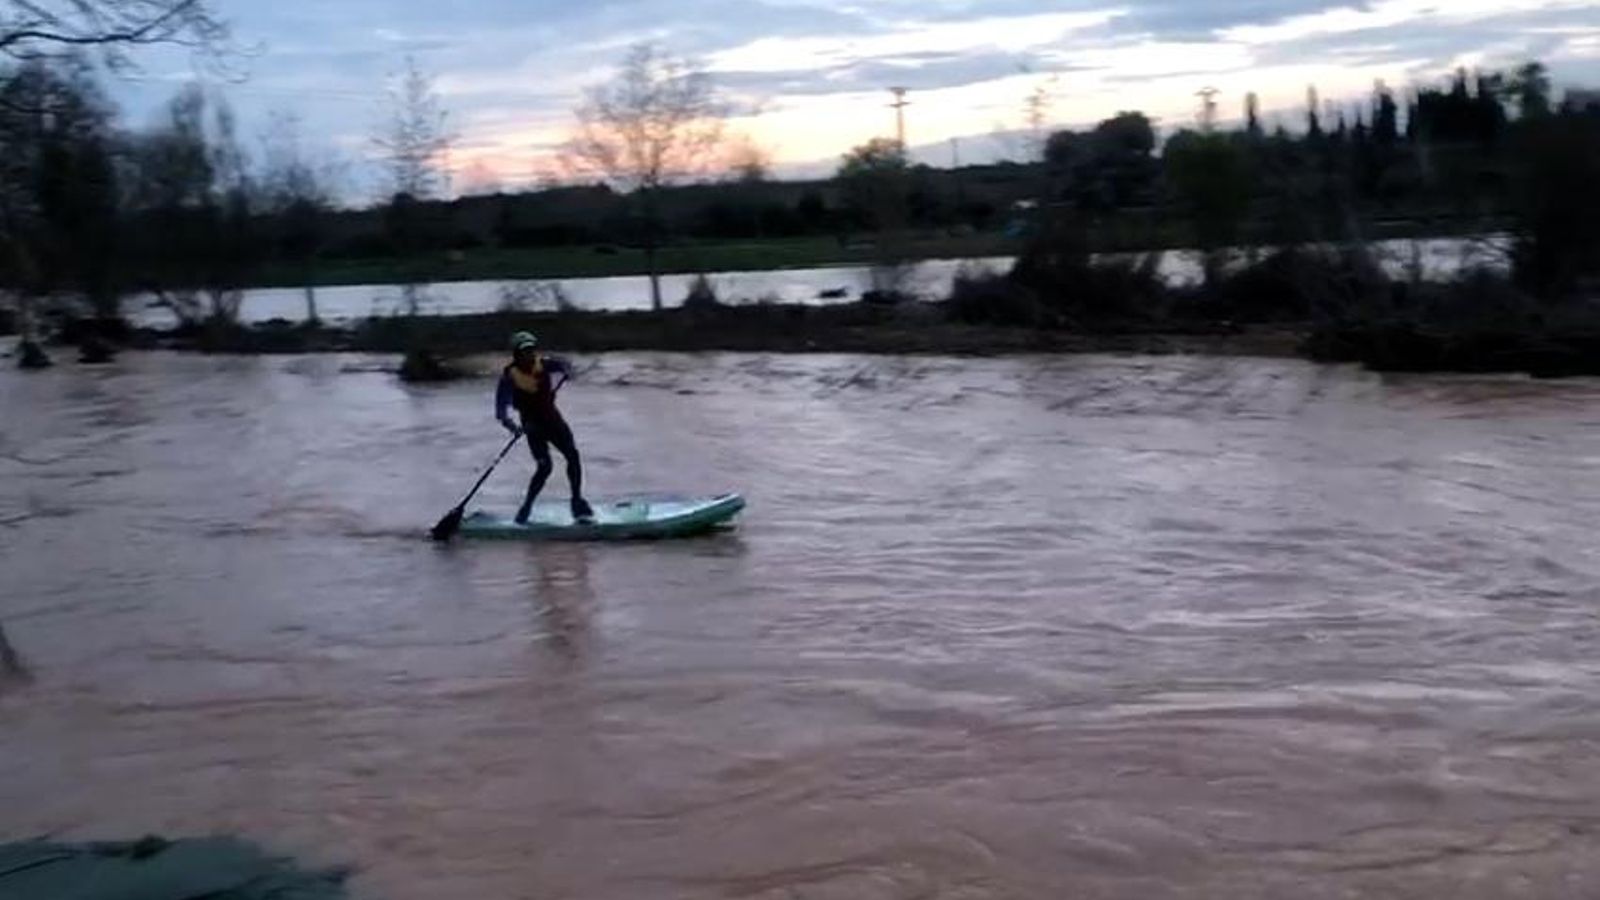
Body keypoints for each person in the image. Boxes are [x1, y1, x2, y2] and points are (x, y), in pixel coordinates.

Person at [495, 331, 594, 524]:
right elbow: (501, 411)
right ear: (516, 354)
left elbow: (566, 365)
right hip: (533, 427)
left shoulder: (546, 364)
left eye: (532, 350)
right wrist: (512, 426)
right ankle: (526, 507)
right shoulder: (509, 377)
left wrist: (568, 371)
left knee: (573, 456)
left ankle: (577, 501)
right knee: (545, 467)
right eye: (524, 351)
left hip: (553, 421)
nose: (529, 355)